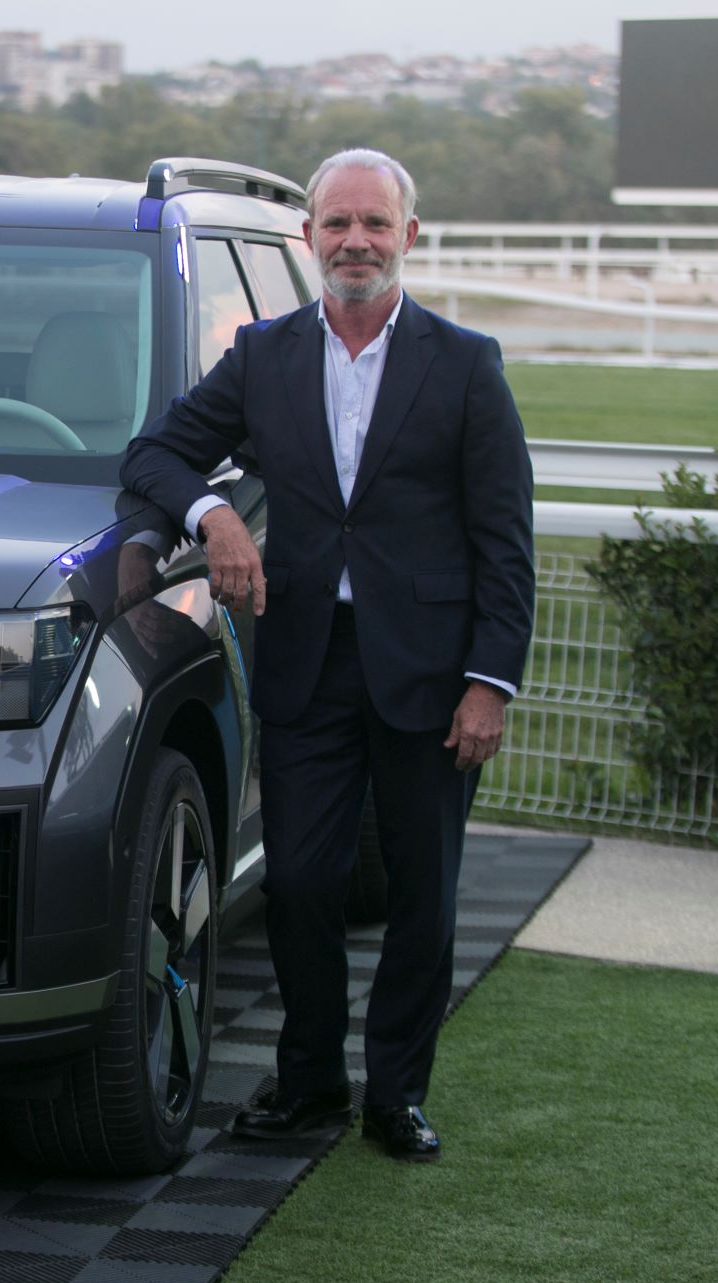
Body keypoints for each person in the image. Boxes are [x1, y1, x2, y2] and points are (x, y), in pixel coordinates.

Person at [119, 148, 533, 1161]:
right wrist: (214, 514)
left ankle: (396, 1094)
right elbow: (155, 453)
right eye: (337, 224)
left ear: (408, 236)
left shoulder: (465, 364)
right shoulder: (262, 356)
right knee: (300, 882)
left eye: (374, 224)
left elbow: (505, 542)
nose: (355, 242)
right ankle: (310, 1082)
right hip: (307, 661)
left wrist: (489, 683)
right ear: (309, 237)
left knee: (423, 897)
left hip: (432, 675)